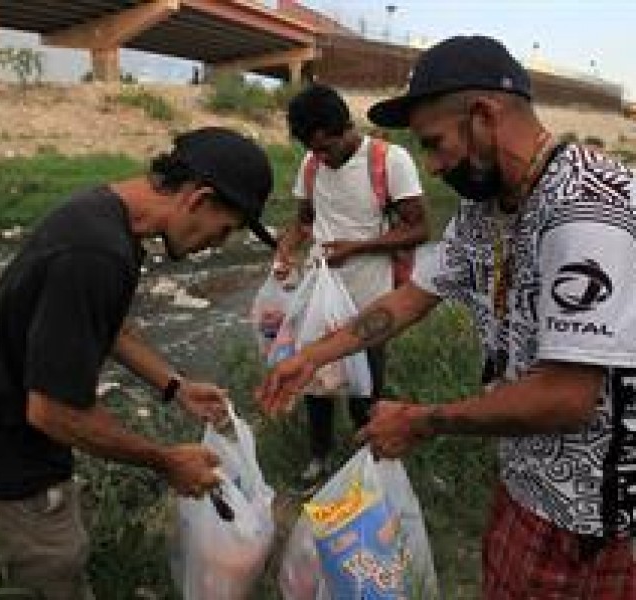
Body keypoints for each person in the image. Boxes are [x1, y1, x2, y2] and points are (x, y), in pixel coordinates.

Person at [258, 35, 636, 598]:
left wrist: (421, 421)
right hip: (527, 480)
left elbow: (565, 396)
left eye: (435, 144)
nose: (431, 167)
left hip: (596, 517)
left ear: (485, 116)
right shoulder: (486, 212)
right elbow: (410, 299)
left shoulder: (585, 210)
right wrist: (308, 357)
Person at [0, 127, 277, 599]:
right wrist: (165, 461)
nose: (215, 246)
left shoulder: (103, 216)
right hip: (7, 485)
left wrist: (175, 386)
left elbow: (104, 325)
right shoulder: (97, 254)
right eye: (224, 230)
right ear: (199, 199)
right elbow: (52, 411)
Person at [273, 84, 428, 484]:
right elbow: (305, 220)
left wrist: (358, 247)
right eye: (313, 149)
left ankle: (370, 463)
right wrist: (286, 252)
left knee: (366, 387)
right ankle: (320, 457)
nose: (320, 157)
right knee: (315, 381)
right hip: (318, 294)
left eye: (326, 148)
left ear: (344, 129)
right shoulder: (311, 164)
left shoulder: (388, 160)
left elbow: (419, 228)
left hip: (371, 298)